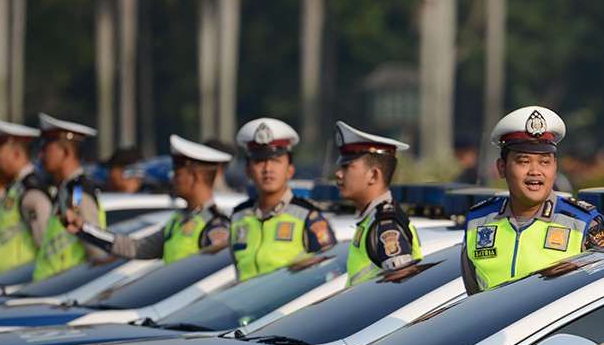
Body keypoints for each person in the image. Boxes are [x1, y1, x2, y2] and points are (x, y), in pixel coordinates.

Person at [462, 106, 604, 294]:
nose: (535, 171)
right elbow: (472, 296)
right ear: (502, 168)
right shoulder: (478, 220)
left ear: (555, 167)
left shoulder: (582, 223)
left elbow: (601, 297)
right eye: (523, 161)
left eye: (544, 162)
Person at [66, 136, 231, 262]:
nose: (172, 179)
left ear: (195, 177)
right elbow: (136, 248)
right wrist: (85, 229)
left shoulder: (215, 225)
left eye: (178, 174)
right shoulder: (179, 220)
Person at [230, 118, 336, 281]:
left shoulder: (308, 218)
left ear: (290, 170)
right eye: (259, 161)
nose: (267, 169)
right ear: (248, 170)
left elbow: (329, 276)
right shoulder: (238, 216)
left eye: (276, 160)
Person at [333, 120, 420, 285]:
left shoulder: (386, 226)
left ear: (373, 175)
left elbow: (400, 290)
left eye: (347, 166)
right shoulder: (372, 220)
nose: (338, 174)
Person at [33, 113, 107, 281]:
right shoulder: (67, 190)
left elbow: (97, 253)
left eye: (46, 149)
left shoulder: (77, 193)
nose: (40, 155)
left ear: (66, 152)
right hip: (52, 291)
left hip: (65, 294)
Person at [0, 119, 51, 273]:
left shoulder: (31, 193)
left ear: (17, 154)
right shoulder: (15, 189)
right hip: (6, 284)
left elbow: (46, 247)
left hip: (22, 285)